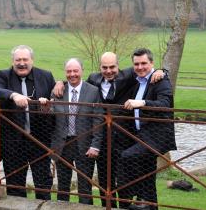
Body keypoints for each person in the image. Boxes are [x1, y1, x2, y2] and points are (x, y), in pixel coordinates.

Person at [53, 52, 165, 207]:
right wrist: (60, 82)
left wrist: (161, 71)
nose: (109, 71)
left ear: (118, 66)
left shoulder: (128, 76)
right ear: (100, 67)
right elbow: (77, 85)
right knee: (105, 183)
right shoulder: (94, 79)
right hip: (102, 139)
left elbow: (145, 69)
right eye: (104, 67)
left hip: (125, 138)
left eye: (112, 67)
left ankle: (126, 207)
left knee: (126, 180)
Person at [0, 45, 55, 200]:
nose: (21, 63)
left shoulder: (46, 76)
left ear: (31, 60)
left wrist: (60, 84)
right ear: (13, 62)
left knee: (43, 184)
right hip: (13, 141)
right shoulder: (4, 75)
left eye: (25, 59)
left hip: (39, 140)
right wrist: (13, 95)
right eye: (18, 60)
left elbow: (56, 98)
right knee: (15, 185)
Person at [119, 48, 176, 210]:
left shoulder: (160, 80)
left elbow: (165, 105)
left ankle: (135, 197)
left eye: (144, 63)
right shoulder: (138, 81)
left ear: (152, 63)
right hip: (140, 136)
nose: (140, 67)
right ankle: (149, 203)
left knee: (126, 157)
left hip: (156, 137)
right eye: (136, 64)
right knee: (148, 176)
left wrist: (143, 103)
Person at [40, 58, 103, 205]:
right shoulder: (58, 90)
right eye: (69, 71)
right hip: (63, 144)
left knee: (85, 186)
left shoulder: (93, 91)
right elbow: (51, 116)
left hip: (85, 144)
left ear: (82, 71)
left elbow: (98, 120)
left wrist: (95, 145)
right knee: (63, 185)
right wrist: (45, 108)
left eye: (75, 71)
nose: (72, 74)